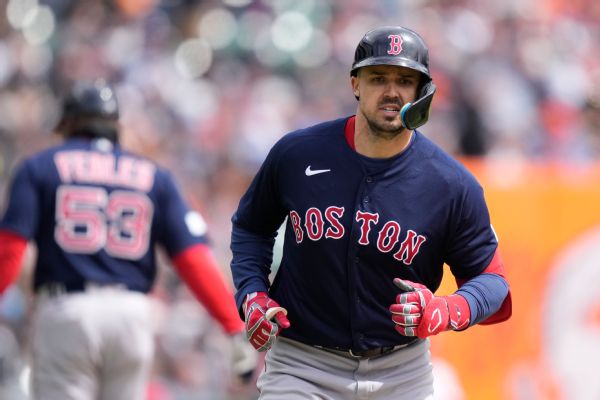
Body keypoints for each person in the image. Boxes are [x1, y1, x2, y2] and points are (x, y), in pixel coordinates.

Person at [230, 26, 512, 399]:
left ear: (422, 92)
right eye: (378, 77)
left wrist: (446, 309)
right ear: (355, 84)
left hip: (401, 372)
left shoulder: (451, 184)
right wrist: (252, 292)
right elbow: (251, 228)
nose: (392, 91)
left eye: (405, 81)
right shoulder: (297, 154)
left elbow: (492, 281)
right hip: (302, 365)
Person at [0, 80, 257, 400]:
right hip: (131, 315)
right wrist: (233, 325)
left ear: (66, 125)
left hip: (68, 310)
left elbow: (9, 251)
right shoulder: (155, 177)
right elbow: (194, 260)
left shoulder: (39, 167)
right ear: (115, 127)